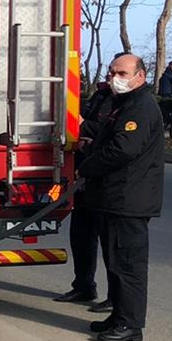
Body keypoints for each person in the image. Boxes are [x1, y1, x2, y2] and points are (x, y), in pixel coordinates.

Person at [77, 53, 165, 341]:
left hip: (129, 200)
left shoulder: (140, 107)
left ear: (140, 76)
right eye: (113, 72)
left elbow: (122, 150)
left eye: (123, 73)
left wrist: (87, 164)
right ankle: (118, 316)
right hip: (113, 197)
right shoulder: (122, 104)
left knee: (128, 266)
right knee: (115, 262)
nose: (115, 78)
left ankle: (130, 324)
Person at [53, 77, 112, 305]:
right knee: (81, 236)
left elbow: (103, 130)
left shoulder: (122, 103)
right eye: (110, 72)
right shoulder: (100, 95)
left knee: (109, 243)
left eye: (117, 73)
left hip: (102, 180)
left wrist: (79, 124)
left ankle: (114, 296)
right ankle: (83, 285)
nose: (111, 77)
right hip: (83, 175)